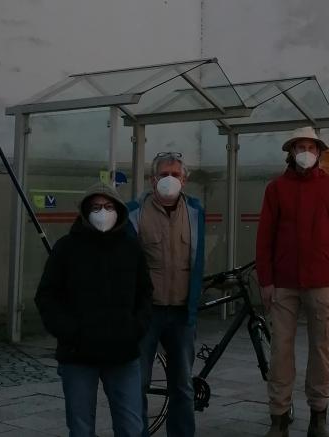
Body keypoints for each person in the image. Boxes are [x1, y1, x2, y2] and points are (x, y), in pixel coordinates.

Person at [256, 126, 329, 437]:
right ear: (291, 151)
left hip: (321, 283)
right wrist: (266, 280)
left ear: (319, 152)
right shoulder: (276, 189)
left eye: (310, 147)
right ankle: (278, 418)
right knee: (280, 352)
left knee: (321, 350)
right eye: (300, 147)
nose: (305, 152)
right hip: (284, 283)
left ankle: (319, 417)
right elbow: (264, 238)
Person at [36, 183, 153, 437]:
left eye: (109, 206)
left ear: (119, 211)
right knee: (80, 428)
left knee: (131, 427)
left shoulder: (131, 248)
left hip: (123, 353)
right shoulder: (66, 248)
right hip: (78, 355)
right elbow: (46, 296)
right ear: (85, 211)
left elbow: (145, 293)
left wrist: (135, 328)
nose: (103, 212)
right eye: (96, 207)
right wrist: (69, 331)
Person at [128, 152, 206, 437]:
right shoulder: (135, 212)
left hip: (182, 313)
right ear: (153, 180)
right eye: (164, 175)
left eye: (176, 174)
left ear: (184, 180)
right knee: (138, 382)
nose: (170, 180)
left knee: (183, 384)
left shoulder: (196, 211)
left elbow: (197, 261)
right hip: (147, 313)